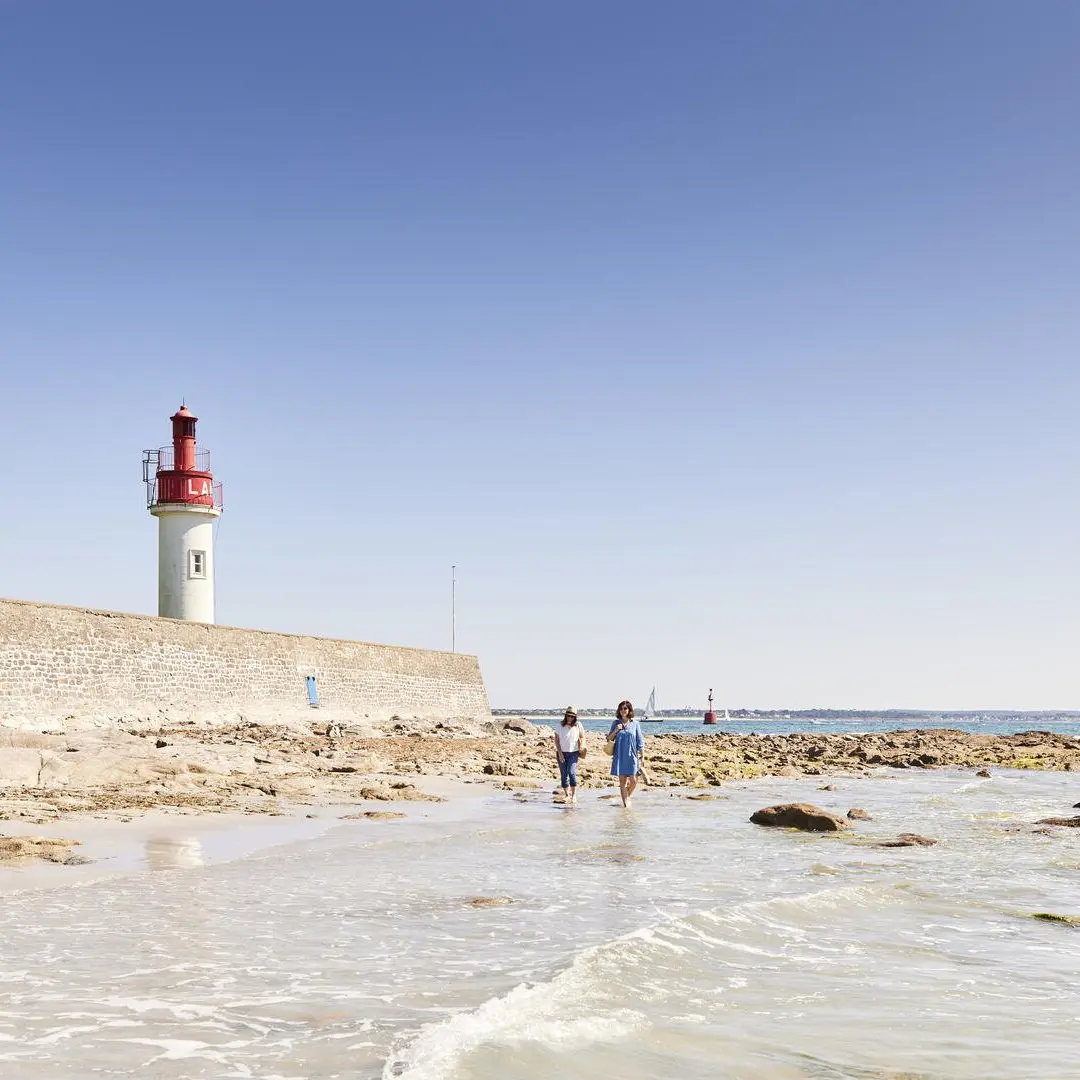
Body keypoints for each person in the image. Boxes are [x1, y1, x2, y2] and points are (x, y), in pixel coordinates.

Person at [607, 699, 644, 808]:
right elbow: (609, 738)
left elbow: (640, 741)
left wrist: (642, 757)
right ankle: (626, 805)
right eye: (621, 709)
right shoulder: (615, 723)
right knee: (622, 782)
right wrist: (616, 730)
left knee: (634, 780)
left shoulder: (635, 724)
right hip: (620, 755)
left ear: (629, 710)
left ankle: (626, 795)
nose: (623, 710)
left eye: (625, 708)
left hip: (632, 755)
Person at [554, 705, 584, 805]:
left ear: (575, 717)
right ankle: (567, 795)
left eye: (572, 716)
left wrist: (582, 746)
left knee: (571, 772)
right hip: (561, 753)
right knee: (563, 775)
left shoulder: (578, 725)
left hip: (574, 753)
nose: (570, 718)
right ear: (565, 716)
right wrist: (560, 753)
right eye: (568, 716)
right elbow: (556, 740)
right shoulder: (559, 725)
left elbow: (582, 737)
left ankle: (574, 795)